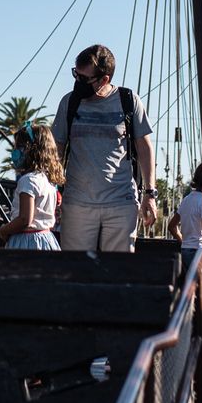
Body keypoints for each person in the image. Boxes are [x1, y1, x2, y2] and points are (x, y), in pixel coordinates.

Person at [51, 44, 156, 253]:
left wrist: (150, 194)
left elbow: (144, 147)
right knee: (75, 272)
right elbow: (56, 150)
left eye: (84, 79)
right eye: (76, 75)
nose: (78, 82)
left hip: (121, 203)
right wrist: (50, 191)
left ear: (104, 79)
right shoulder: (69, 103)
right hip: (77, 204)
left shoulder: (128, 101)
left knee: (117, 272)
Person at [0, 121, 63, 250]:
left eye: (18, 147)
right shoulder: (48, 182)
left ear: (30, 150)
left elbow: (25, 219)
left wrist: (4, 230)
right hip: (47, 239)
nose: (14, 152)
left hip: (26, 241)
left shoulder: (27, 181)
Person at [169, 162, 202, 255]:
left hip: (185, 250)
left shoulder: (186, 199)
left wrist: (183, 241)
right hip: (199, 251)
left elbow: (171, 226)